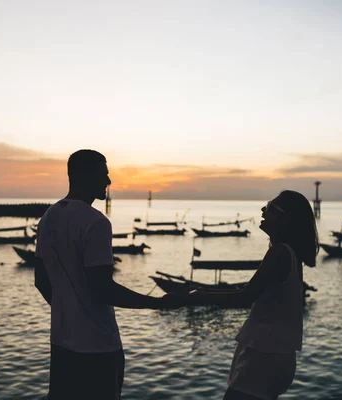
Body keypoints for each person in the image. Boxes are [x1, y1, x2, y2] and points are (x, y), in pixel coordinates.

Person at [35, 149, 183, 400]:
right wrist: (157, 303)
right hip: (97, 347)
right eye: (102, 174)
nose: (108, 181)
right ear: (83, 175)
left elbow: (41, 281)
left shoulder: (49, 217)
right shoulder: (96, 222)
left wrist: (68, 310)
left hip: (61, 344)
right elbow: (104, 289)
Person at [188, 190, 319, 400]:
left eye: (271, 208)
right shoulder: (292, 255)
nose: (263, 210)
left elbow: (245, 297)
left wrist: (197, 296)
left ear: (285, 219)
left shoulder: (280, 253)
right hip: (278, 355)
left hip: (264, 355)